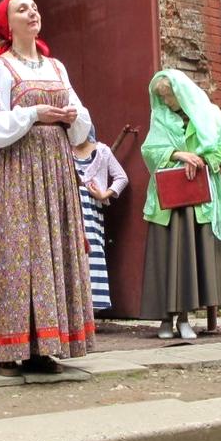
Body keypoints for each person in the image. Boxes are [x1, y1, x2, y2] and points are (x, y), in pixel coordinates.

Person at [0, 0, 95, 375]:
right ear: (7, 24)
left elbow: (82, 129)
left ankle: (45, 345)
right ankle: (7, 349)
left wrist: (72, 116)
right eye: (22, 8)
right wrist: (32, 113)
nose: (33, 12)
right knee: (17, 250)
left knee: (50, 250)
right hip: (17, 167)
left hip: (55, 166)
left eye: (35, 7)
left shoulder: (57, 67)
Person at [141, 69, 221, 339]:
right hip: (168, 202)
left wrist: (203, 159)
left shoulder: (210, 113)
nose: (168, 101)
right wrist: (178, 154)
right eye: (163, 96)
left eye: (170, 95)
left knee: (190, 257)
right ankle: (164, 320)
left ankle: (185, 319)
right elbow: (149, 150)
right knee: (166, 258)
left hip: (198, 198)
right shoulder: (159, 117)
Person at [72, 125, 128, 312]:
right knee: (70, 255)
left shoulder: (102, 152)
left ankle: (90, 309)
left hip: (92, 211)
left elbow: (121, 178)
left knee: (93, 253)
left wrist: (105, 195)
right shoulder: (64, 151)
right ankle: (72, 310)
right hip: (70, 212)